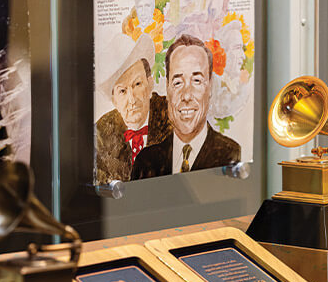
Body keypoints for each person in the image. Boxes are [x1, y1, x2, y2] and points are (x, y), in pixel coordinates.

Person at [131, 34, 241, 179]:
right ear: (167, 87)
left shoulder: (230, 154)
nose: (187, 96)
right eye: (178, 83)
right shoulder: (145, 161)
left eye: (196, 81)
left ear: (210, 86)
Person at [95, 34, 170, 183]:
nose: (132, 99)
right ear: (114, 100)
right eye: (122, 91)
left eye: (137, 84)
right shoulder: (100, 135)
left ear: (150, 84)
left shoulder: (173, 116)